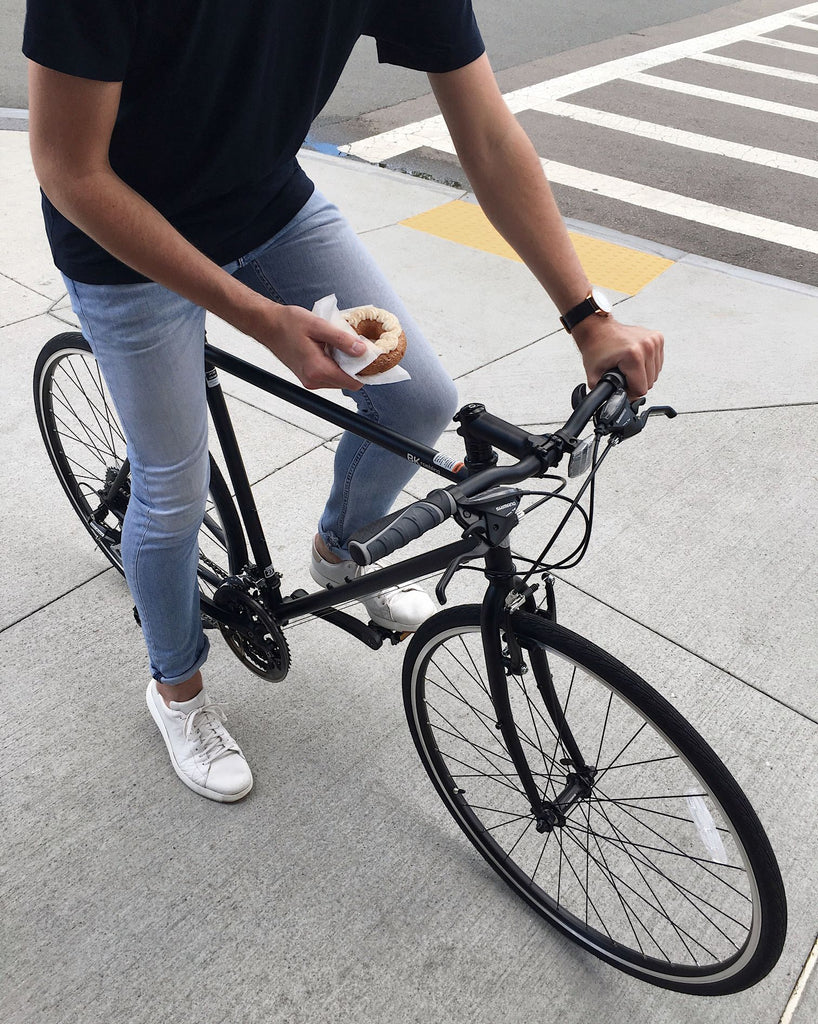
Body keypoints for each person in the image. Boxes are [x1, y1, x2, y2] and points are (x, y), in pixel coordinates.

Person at [23, 0, 663, 803]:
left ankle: (340, 548)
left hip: (265, 203)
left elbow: (489, 136)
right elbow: (68, 168)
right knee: (174, 487)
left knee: (419, 401)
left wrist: (588, 317)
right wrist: (259, 320)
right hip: (121, 246)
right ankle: (176, 689)